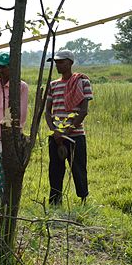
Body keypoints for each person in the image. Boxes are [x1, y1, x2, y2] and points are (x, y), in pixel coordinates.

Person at [45, 50, 93, 205]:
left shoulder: (82, 82)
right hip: (56, 135)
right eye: (56, 62)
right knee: (55, 170)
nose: (58, 65)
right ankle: (55, 201)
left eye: (61, 62)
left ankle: (83, 199)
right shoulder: (53, 85)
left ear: (70, 63)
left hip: (75, 134)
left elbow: (83, 111)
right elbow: (48, 111)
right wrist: (55, 131)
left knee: (78, 169)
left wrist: (66, 132)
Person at [0, 52, 29, 200]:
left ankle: (6, 195)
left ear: (12, 68)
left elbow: (20, 112)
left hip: (10, 134)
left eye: (3, 67)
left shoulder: (20, 87)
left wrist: (8, 130)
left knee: (7, 167)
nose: (0, 70)